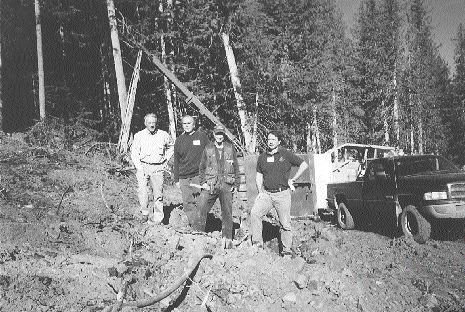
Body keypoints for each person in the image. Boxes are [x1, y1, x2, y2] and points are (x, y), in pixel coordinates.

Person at [250, 130, 308, 256]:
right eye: (269, 139)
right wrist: (260, 192)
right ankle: (257, 244)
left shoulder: (285, 154)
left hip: (282, 194)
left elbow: (304, 165)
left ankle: (286, 250)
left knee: (285, 223)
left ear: (279, 142)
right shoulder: (262, 157)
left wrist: (294, 179)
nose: (270, 142)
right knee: (255, 213)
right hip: (267, 194)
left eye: (273, 140)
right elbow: (259, 176)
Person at [194, 125, 240, 248]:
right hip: (211, 184)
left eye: (221, 134)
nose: (219, 136)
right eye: (217, 134)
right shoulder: (208, 149)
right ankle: (198, 235)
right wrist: (202, 182)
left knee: (227, 211)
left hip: (226, 184)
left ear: (224, 135)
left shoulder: (230, 148)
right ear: (213, 135)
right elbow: (202, 167)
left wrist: (236, 184)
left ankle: (227, 238)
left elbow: (236, 167)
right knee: (202, 206)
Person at [131, 113, 174, 223]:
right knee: (142, 191)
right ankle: (144, 213)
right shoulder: (139, 135)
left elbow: (171, 147)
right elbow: (134, 152)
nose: (151, 125)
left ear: (156, 123)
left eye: (153, 123)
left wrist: (165, 160)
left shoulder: (163, 135)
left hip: (158, 168)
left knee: (158, 194)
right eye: (149, 123)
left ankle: (158, 218)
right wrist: (139, 167)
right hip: (143, 166)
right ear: (145, 123)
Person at [173, 115, 209, 226]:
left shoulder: (202, 137)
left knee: (199, 202)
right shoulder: (179, 140)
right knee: (188, 203)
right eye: (184, 123)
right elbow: (176, 160)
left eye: (189, 123)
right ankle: (194, 225)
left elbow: (210, 154)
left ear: (194, 124)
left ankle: (201, 226)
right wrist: (176, 179)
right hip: (184, 177)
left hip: (197, 176)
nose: (187, 125)